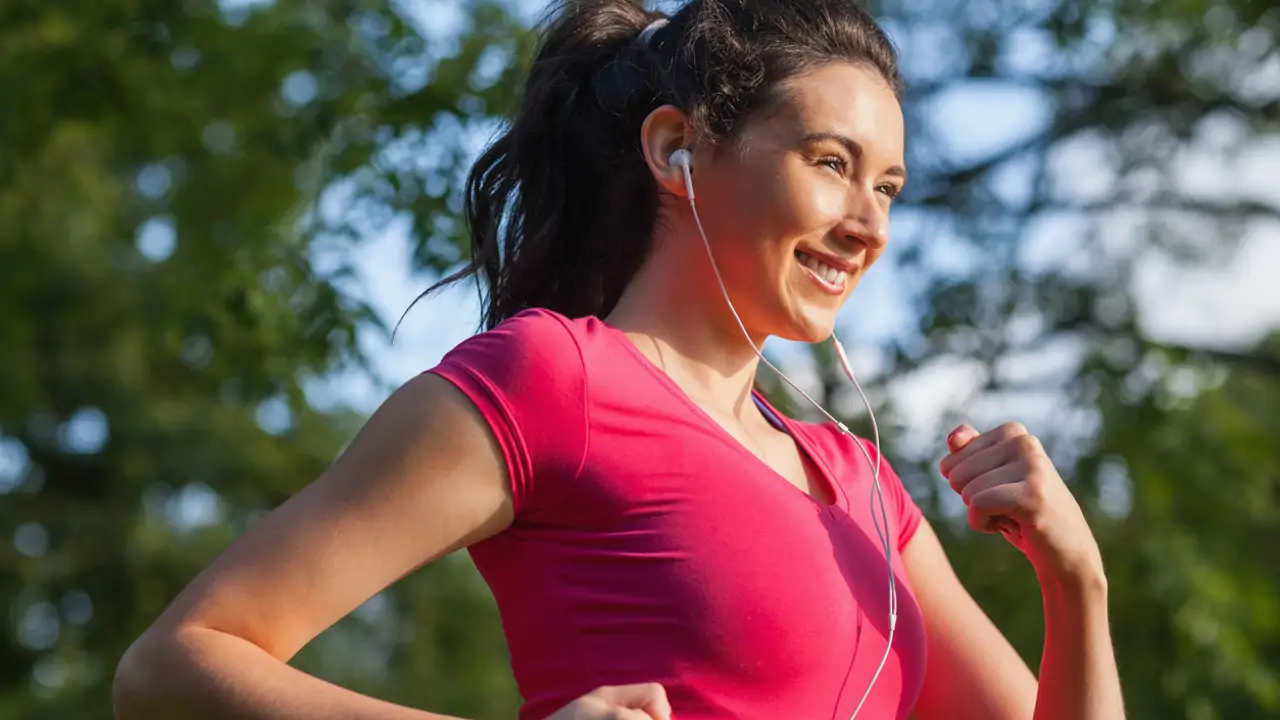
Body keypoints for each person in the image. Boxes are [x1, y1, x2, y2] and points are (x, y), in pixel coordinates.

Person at [111, 1, 1125, 719]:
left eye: (889, 188)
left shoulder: (860, 483)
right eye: (830, 164)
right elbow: (174, 668)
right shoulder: (551, 381)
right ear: (674, 150)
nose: (869, 225)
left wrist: (1072, 580)